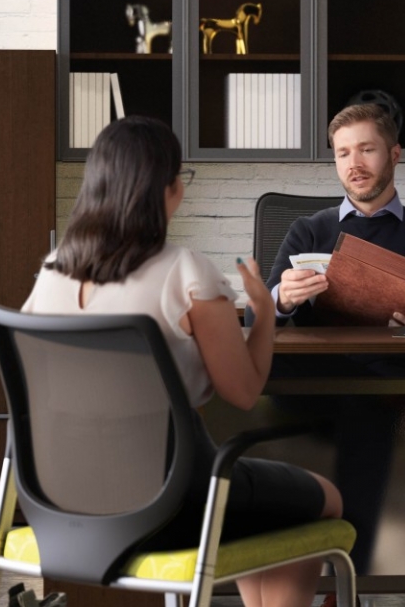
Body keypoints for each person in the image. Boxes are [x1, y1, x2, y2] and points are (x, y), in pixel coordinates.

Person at [21, 116, 341, 607]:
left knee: (258, 503)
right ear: (166, 188)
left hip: (60, 503)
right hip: (169, 506)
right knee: (324, 499)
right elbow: (243, 390)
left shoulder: (51, 272)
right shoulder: (184, 273)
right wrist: (261, 313)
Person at [264, 102, 405, 573]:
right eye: (342, 153)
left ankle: (346, 575)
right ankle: (275, 564)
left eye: (366, 149)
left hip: (392, 384)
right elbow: (260, 317)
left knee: (366, 408)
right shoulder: (308, 230)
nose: (354, 164)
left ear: (395, 154)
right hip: (314, 384)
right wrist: (283, 296)